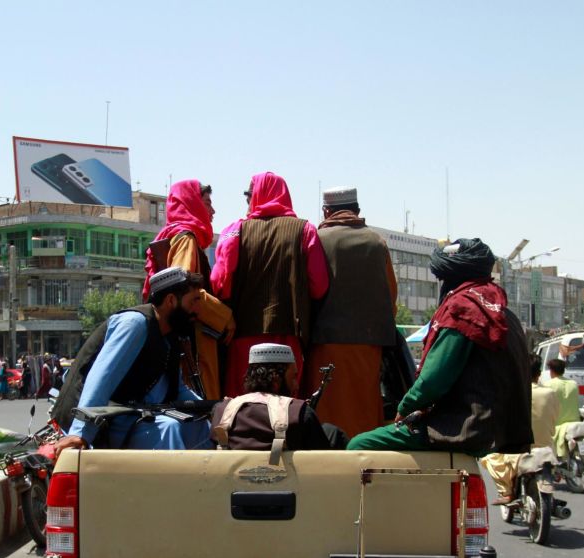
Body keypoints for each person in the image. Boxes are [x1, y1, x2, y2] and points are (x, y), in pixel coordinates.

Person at [347, 238, 533, 455]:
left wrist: (405, 408)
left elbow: (433, 381)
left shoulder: (463, 310)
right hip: (499, 430)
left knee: (358, 445)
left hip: (460, 427)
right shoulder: (502, 312)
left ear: (451, 278)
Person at [51, 267, 212, 451]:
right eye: (194, 301)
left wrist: (213, 409)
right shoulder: (135, 323)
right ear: (171, 301)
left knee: (198, 425)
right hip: (95, 419)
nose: (198, 309)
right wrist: (80, 433)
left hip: (127, 416)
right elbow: (102, 378)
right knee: (169, 428)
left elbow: (177, 390)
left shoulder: (169, 337)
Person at [210, 172, 329, 397]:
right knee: (286, 407)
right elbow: (319, 286)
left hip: (242, 338)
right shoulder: (305, 230)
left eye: (249, 196)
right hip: (289, 336)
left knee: (242, 407)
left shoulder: (234, 231)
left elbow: (220, 284)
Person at [301, 186, 398, 438]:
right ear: (357, 211)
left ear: (326, 211)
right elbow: (392, 298)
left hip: (324, 344)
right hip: (368, 348)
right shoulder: (377, 242)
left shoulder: (316, 240)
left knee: (325, 413)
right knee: (364, 415)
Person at [144, 180, 234, 400]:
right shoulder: (186, 239)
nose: (212, 211)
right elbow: (182, 289)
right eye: (206, 203)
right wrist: (225, 316)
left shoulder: (172, 236)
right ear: (191, 204)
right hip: (193, 339)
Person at [211, 342, 341, 452]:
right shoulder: (299, 412)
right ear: (276, 380)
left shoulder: (221, 411)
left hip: (230, 481)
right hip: (288, 480)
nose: (296, 386)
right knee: (333, 432)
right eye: (293, 377)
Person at [483, 356, 561, 504]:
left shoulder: (510, 393)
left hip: (517, 451)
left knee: (488, 458)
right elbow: (554, 418)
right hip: (546, 448)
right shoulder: (550, 393)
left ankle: (506, 492)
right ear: (538, 375)